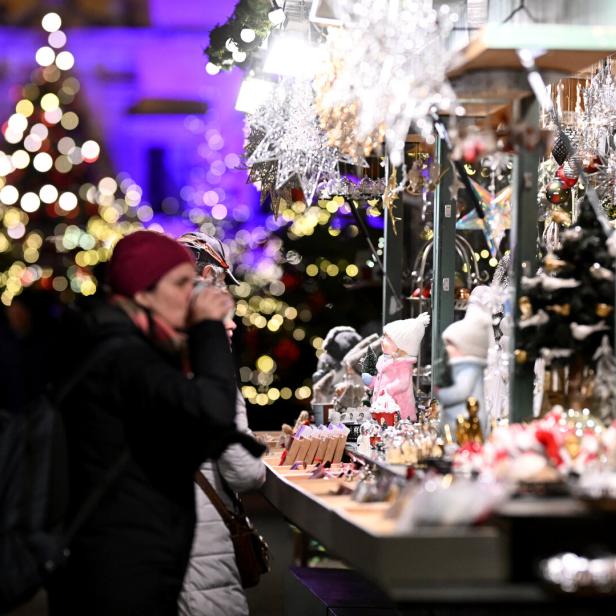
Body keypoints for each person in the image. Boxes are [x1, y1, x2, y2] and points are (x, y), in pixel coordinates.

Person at [48, 230, 264, 616]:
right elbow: (213, 418)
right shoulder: (126, 357)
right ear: (144, 291)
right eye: (183, 284)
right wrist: (209, 335)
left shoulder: (114, 343)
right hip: (123, 566)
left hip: (123, 558)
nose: (194, 295)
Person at [177, 231, 266, 616]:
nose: (231, 325)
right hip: (203, 554)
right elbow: (244, 473)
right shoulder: (214, 373)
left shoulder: (148, 355)